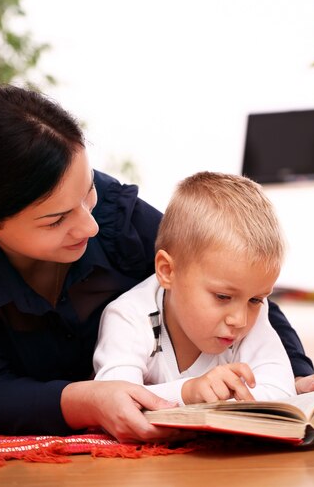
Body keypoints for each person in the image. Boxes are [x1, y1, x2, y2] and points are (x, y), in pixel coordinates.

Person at [0, 84, 314, 441]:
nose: (90, 225)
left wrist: (295, 380)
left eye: (88, 191)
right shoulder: (129, 316)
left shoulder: (119, 219)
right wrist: (85, 400)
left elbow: (236, 280)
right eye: (56, 220)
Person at [93, 171, 297, 404]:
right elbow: (115, 397)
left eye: (255, 300)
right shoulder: (128, 316)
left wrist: (215, 402)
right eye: (222, 296)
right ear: (167, 271)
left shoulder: (251, 315)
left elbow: (282, 392)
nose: (240, 320)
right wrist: (188, 392)